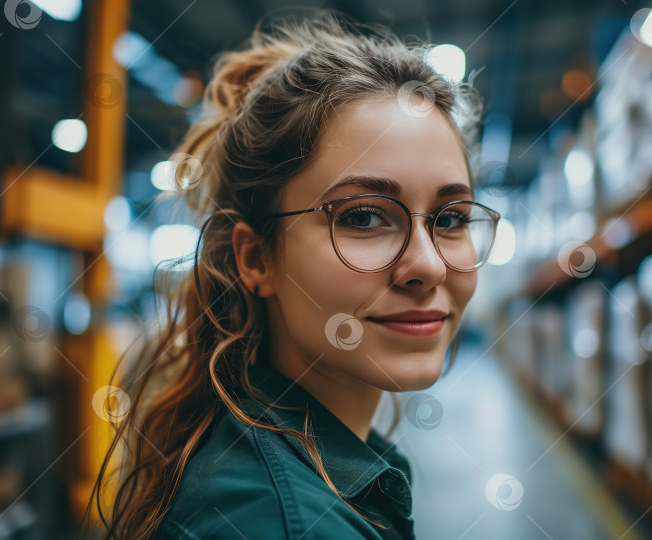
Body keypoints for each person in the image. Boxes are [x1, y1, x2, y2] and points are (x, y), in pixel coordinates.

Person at [87, 10, 500, 539]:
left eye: (450, 219)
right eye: (364, 217)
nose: (428, 264)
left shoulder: (286, 462)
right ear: (257, 257)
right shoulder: (280, 522)